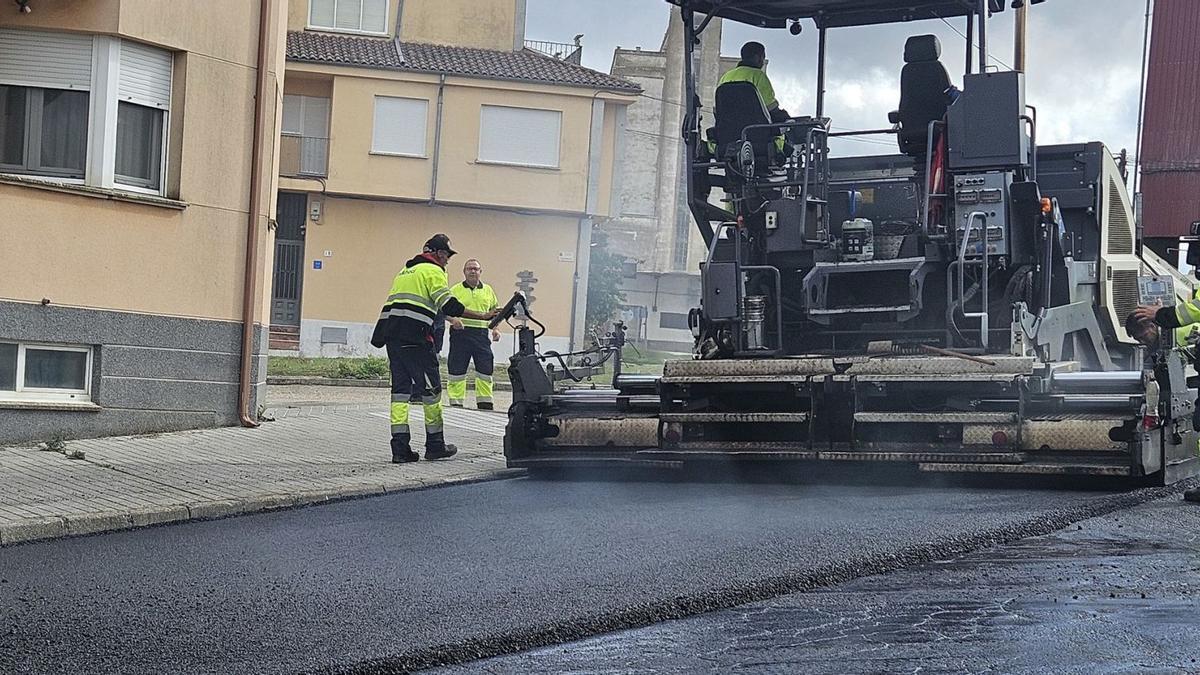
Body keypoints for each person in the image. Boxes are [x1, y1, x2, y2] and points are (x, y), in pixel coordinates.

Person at [370, 234, 496, 463]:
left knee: (400, 393)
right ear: (439, 253)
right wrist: (483, 316)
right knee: (432, 392)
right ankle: (435, 445)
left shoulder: (406, 271)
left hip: (393, 338)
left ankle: (400, 449)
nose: (448, 261)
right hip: (416, 339)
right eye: (447, 256)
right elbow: (449, 305)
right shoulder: (433, 271)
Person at [1132, 298, 1200, 503]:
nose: (1142, 341)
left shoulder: (1179, 333)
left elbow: (1193, 310)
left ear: (1153, 326)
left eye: (1142, 335)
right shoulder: (1159, 341)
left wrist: (1163, 314)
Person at [447, 258, 501, 410]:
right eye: (469, 269)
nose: (472, 271)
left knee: (485, 370)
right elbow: (444, 310)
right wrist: (453, 320)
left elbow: (495, 313)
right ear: (464, 272)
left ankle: (485, 404)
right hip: (460, 334)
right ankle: (456, 403)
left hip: (481, 335)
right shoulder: (455, 290)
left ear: (480, 272)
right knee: (457, 370)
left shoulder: (488, 290)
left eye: (475, 269)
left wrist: (496, 329)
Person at [718, 41, 791, 123]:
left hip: (728, 128)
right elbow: (771, 108)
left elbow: (718, 108)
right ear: (757, 58)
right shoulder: (758, 76)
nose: (763, 62)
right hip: (754, 128)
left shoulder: (725, 77)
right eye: (763, 57)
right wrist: (786, 117)